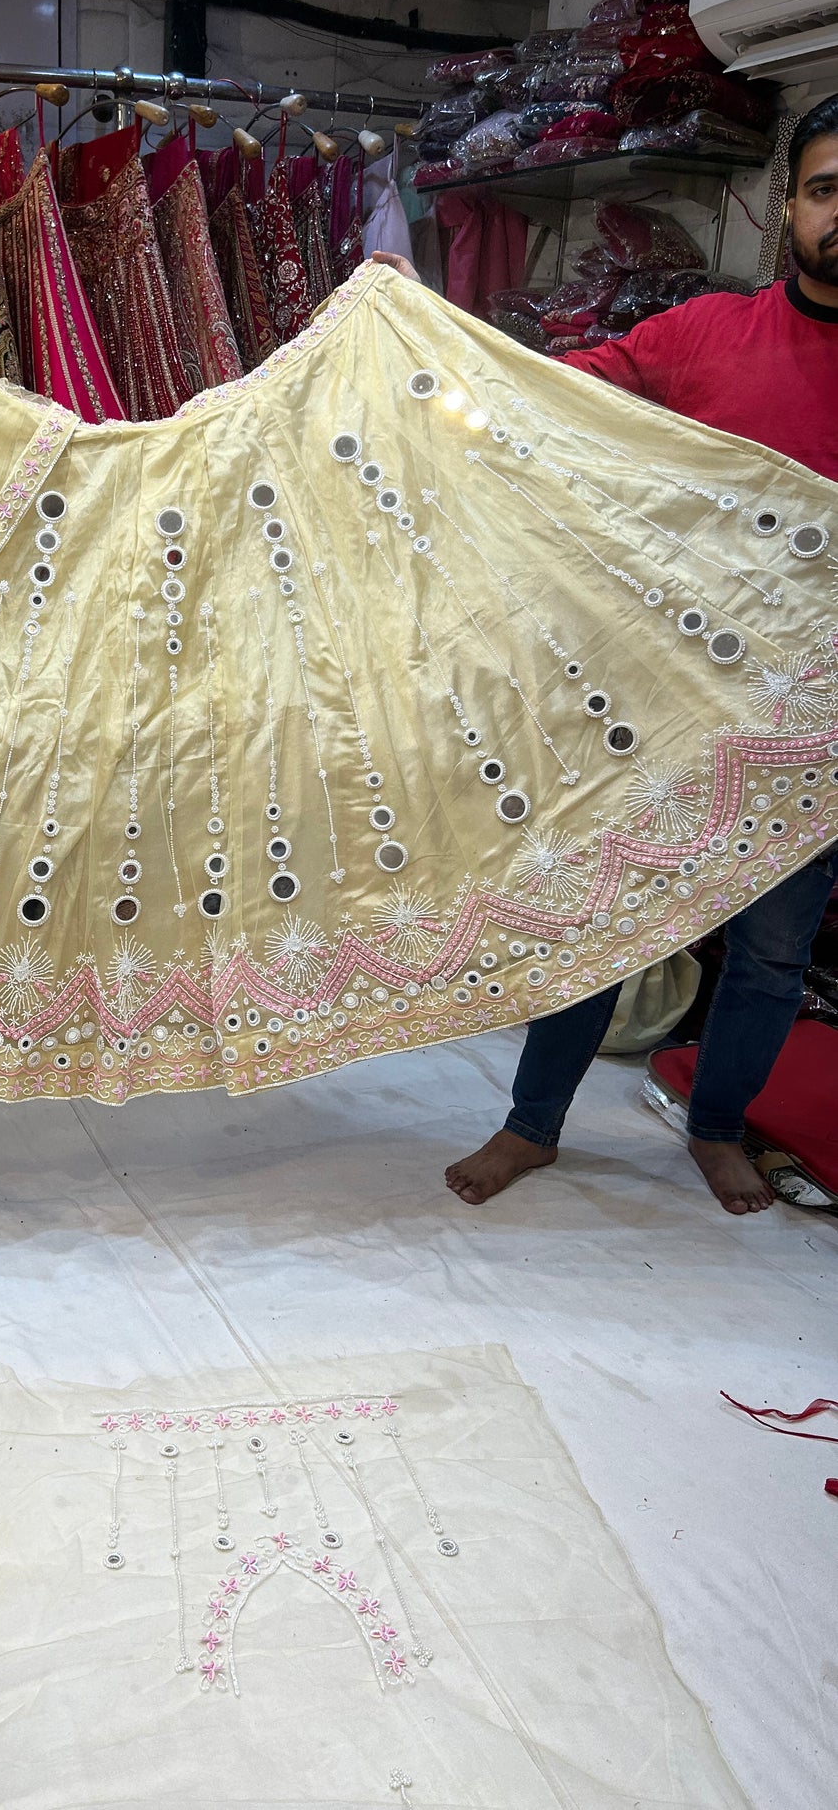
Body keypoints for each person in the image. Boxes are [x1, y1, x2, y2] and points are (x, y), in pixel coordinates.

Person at [370, 92, 838, 1215]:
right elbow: (539, 408)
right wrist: (417, 364)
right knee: (596, 919)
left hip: (818, 730)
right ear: (786, 204)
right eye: (827, 189)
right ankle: (531, 1124)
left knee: (770, 953)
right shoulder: (698, 338)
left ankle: (716, 1126)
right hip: (664, 700)